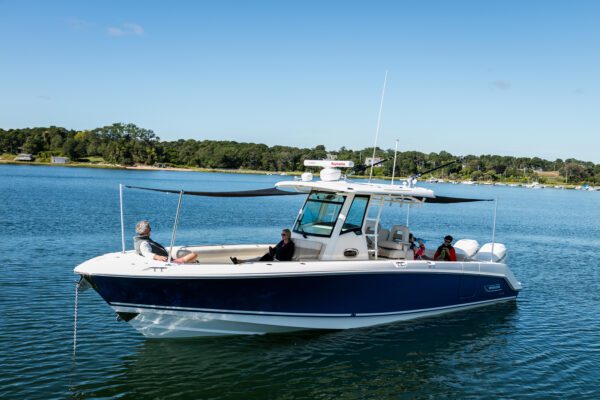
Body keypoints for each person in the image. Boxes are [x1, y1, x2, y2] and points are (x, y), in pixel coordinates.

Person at [133, 220, 198, 263]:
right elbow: (146, 253)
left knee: (194, 259)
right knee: (194, 255)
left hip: (168, 260)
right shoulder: (143, 243)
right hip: (172, 263)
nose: (151, 230)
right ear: (147, 230)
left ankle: (193, 263)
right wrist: (157, 257)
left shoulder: (140, 241)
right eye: (150, 229)